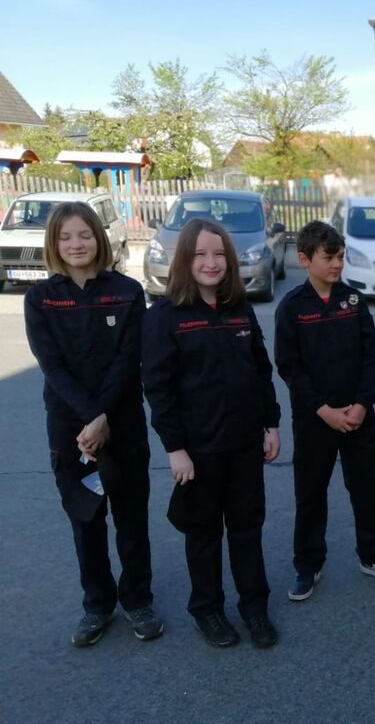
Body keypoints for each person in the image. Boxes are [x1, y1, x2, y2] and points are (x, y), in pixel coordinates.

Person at [24, 202, 162, 647]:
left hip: (122, 423)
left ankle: (138, 599)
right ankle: (97, 604)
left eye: (84, 234)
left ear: (99, 239)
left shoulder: (127, 291)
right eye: (65, 237)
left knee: (131, 517)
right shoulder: (40, 299)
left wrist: (103, 415)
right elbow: (52, 365)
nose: (76, 244)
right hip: (72, 430)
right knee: (85, 518)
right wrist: (90, 418)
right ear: (54, 243)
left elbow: (128, 360)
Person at [142, 218, 281, 649]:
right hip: (198, 451)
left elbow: (261, 371)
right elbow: (158, 388)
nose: (211, 262)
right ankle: (208, 610)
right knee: (203, 534)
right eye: (201, 254)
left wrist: (271, 424)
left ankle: (254, 608)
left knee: (246, 529)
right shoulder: (164, 316)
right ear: (185, 259)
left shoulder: (240, 308)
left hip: (243, 444)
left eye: (220, 254)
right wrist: (175, 448)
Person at [275, 220, 375, 603]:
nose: (337, 264)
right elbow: (290, 367)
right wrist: (323, 410)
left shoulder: (353, 301)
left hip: (357, 417)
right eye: (329, 257)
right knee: (310, 494)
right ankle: (308, 565)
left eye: (341, 256)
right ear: (304, 259)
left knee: (367, 490)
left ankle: (373, 556)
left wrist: (362, 404)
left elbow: (371, 357)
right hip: (315, 421)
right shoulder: (292, 307)